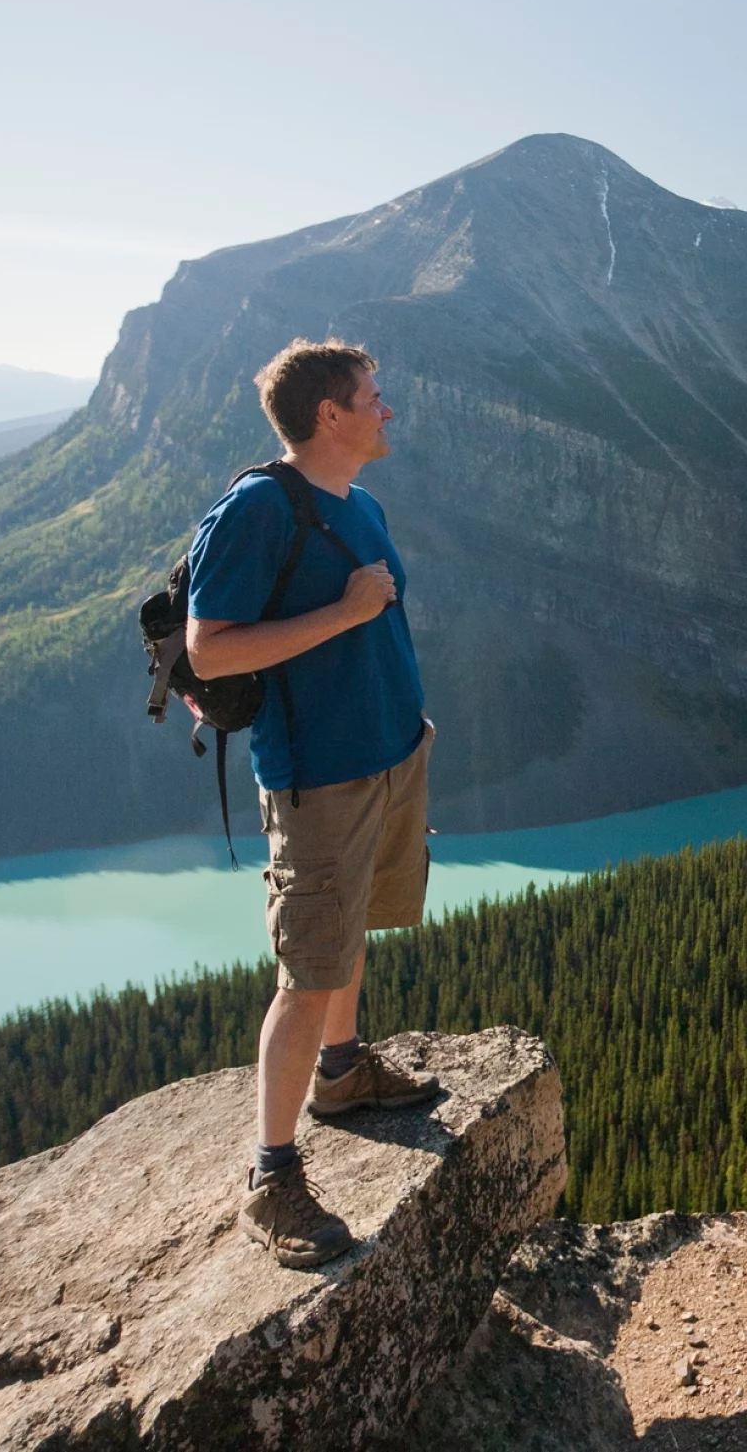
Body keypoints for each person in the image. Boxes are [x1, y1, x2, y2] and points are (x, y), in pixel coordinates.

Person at [184, 337, 441, 1268]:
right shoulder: (257, 510)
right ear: (328, 415)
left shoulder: (360, 502)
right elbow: (209, 649)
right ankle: (271, 1175)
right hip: (318, 775)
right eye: (374, 396)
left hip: (386, 754)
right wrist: (346, 611)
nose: (388, 409)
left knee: (350, 930)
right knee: (307, 967)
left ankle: (342, 1072)